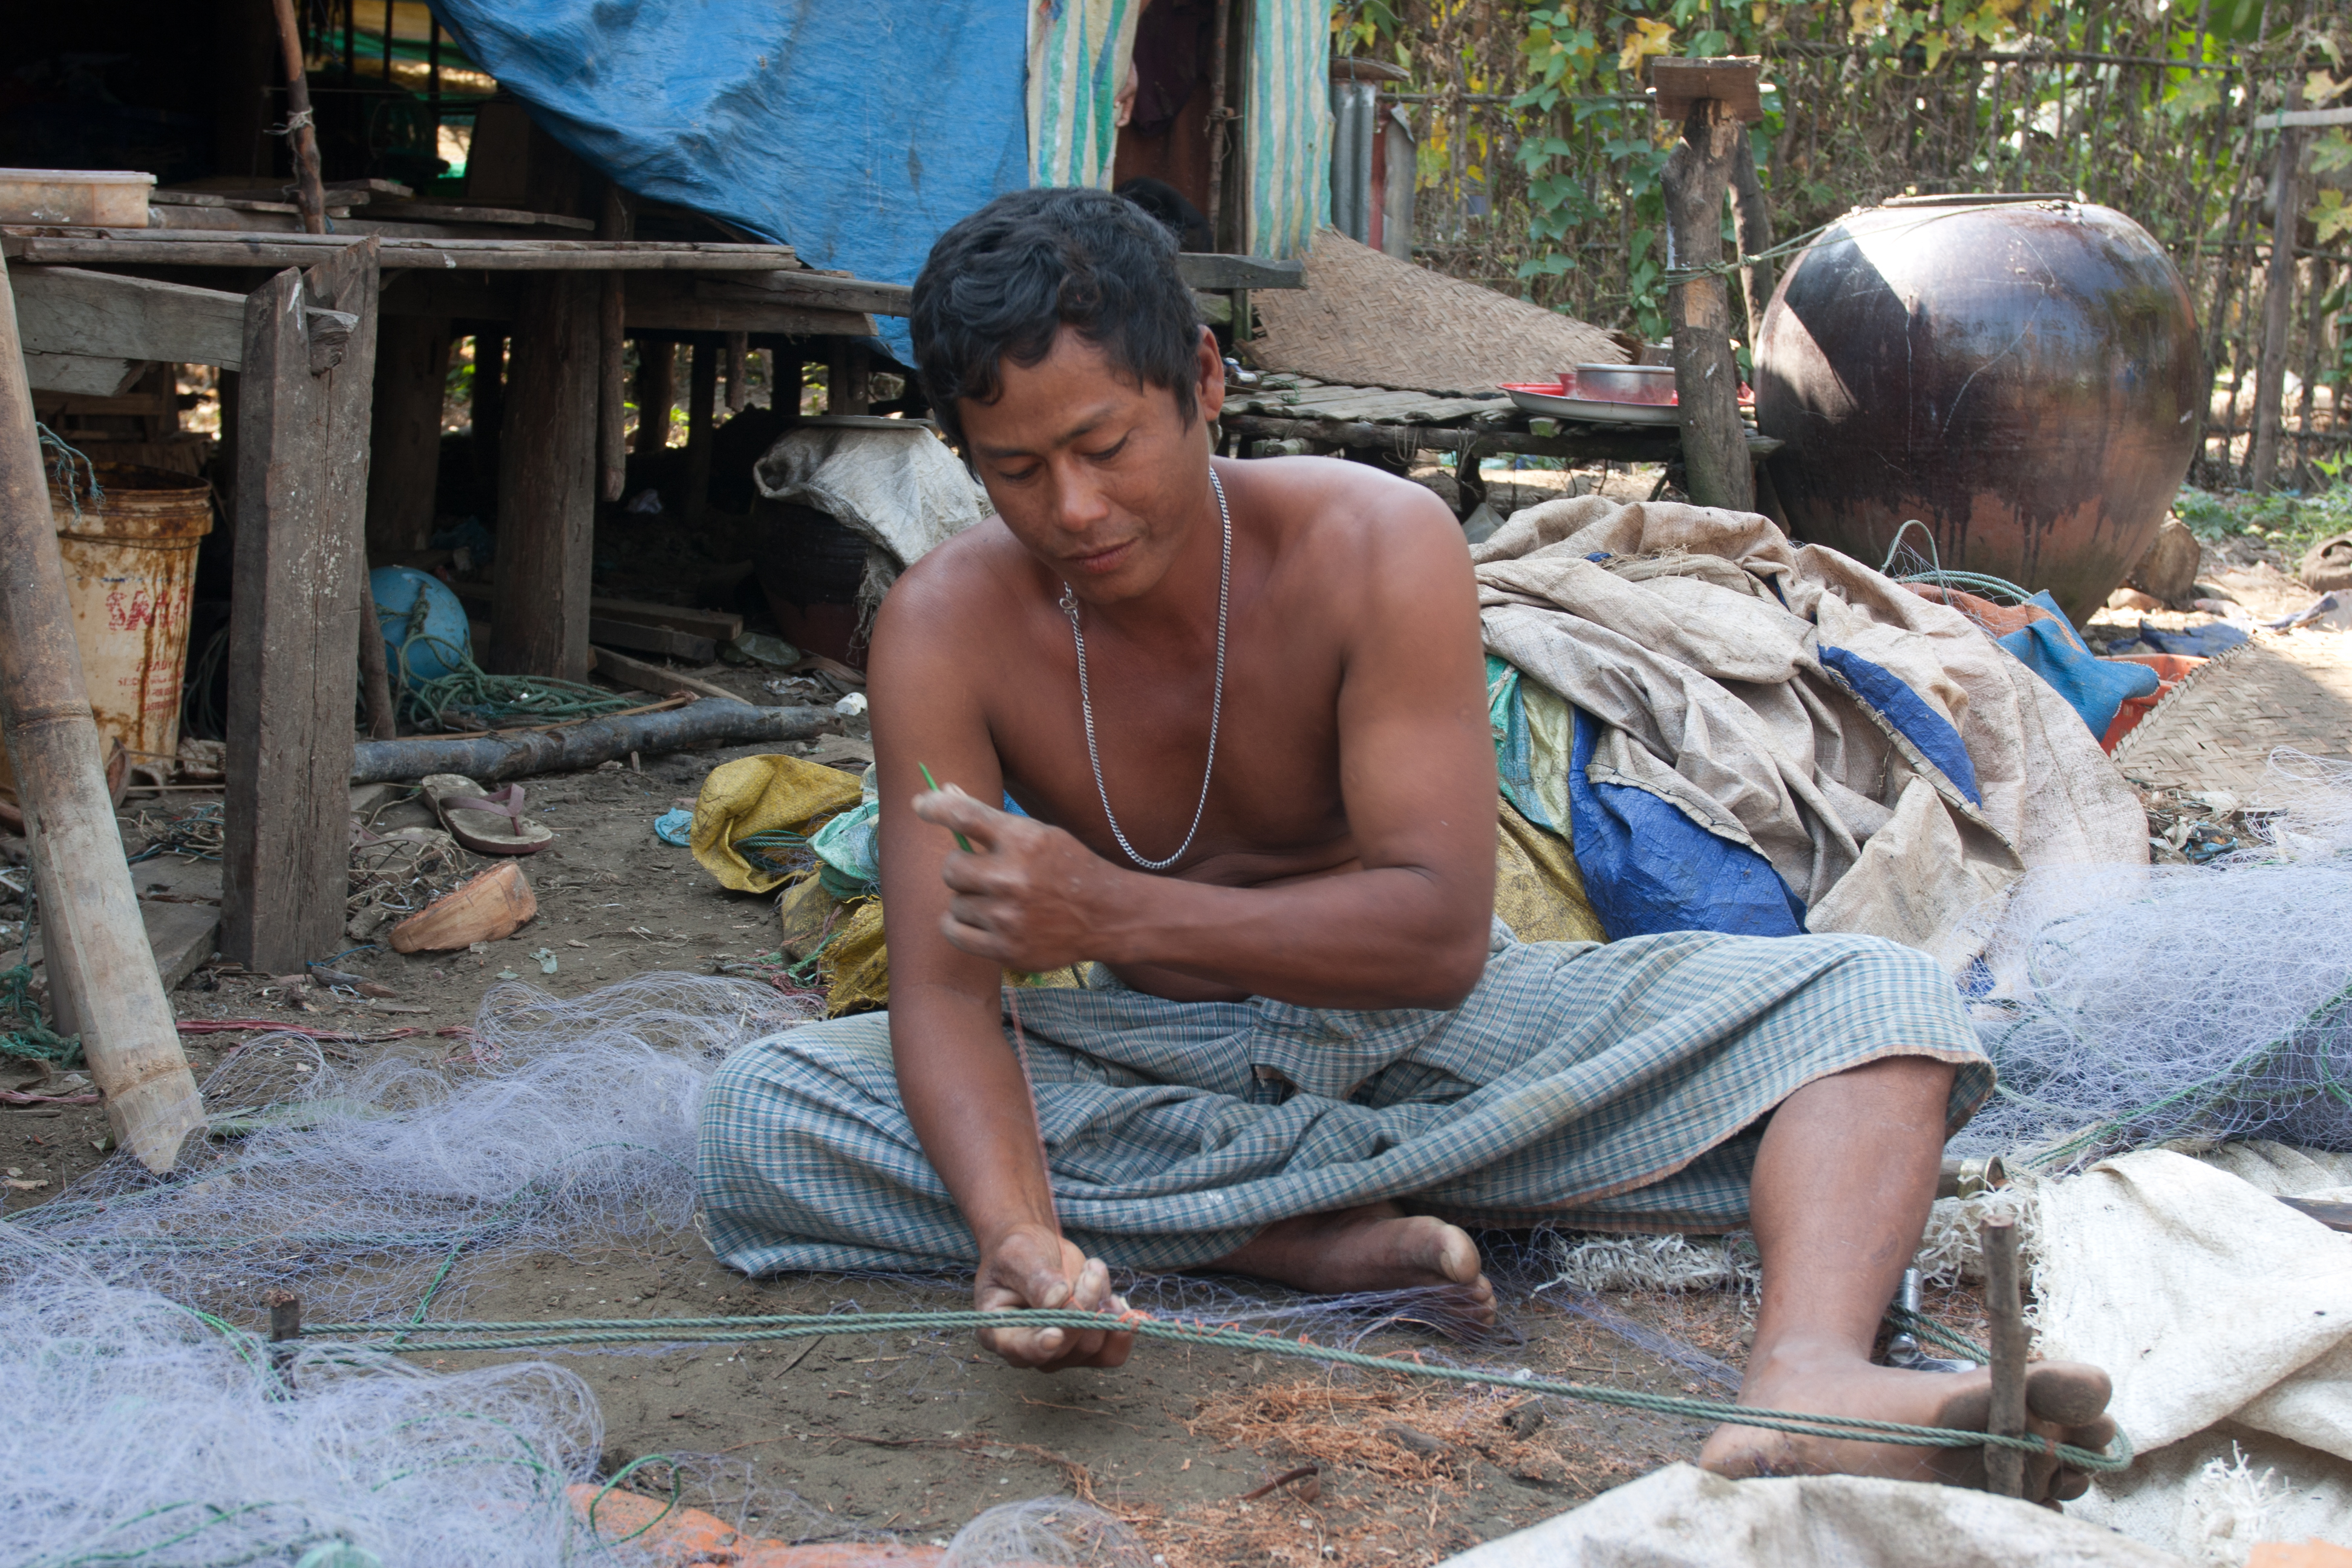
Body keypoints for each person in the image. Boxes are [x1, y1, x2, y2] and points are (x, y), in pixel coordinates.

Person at [696, 188, 2115, 1498]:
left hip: (1439, 1031)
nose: (1073, 509)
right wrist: (1014, 1232)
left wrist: (1112, 914)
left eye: (1106, 447)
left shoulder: (1376, 541)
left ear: (1203, 380)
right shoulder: (942, 627)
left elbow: (1435, 939)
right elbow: (948, 995)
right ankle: (1293, 1237)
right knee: (759, 1117)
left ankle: (1805, 1374)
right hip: (1162, 1059)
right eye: (1015, 470)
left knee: (1879, 1002)